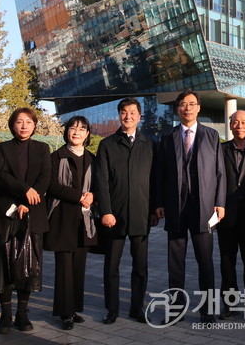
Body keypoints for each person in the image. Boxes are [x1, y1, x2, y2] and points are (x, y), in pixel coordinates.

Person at [154, 89, 226, 321]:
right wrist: (159, 203)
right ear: (177, 108)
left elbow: (220, 172)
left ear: (199, 107)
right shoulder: (167, 136)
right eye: (183, 104)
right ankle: (176, 310)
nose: (187, 108)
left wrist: (220, 202)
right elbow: (160, 174)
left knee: (206, 262)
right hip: (175, 206)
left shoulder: (211, 135)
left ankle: (208, 311)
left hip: (203, 206)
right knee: (175, 263)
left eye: (192, 104)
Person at [0, 107, 51, 334]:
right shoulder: (2, 149)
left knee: (28, 266)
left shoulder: (43, 149)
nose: (24, 125)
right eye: (19, 122)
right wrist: (25, 190)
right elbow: (0, 176)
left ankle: (22, 314)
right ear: (12, 125)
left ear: (35, 125)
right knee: (4, 266)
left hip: (33, 213)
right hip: (6, 214)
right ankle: (4, 315)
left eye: (28, 122)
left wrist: (29, 201)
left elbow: (45, 178)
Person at [94, 97, 155, 324]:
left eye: (132, 112)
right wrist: (106, 211)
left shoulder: (149, 145)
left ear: (139, 116)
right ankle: (112, 309)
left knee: (140, 266)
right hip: (114, 216)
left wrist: (155, 209)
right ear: (119, 115)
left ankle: (137, 308)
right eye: (124, 112)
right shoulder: (107, 145)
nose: (128, 116)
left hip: (141, 214)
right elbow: (102, 182)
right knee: (112, 266)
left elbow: (154, 180)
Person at [45, 116, 97, 331]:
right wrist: (78, 196)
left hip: (84, 219)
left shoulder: (93, 158)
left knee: (78, 266)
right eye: (72, 128)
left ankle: (74, 309)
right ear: (66, 132)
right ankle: (64, 312)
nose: (76, 132)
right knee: (64, 267)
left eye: (82, 129)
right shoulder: (56, 156)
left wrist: (92, 195)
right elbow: (52, 184)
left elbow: (99, 184)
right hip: (62, 218)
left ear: (87, 134)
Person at [218, 110, 245, 320]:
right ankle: (229, 304)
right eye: (235, 122)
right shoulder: (220, 149)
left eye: (243, 122)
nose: (239, 125)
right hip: (226, 215)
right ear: (230, 125)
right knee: (227, 261)